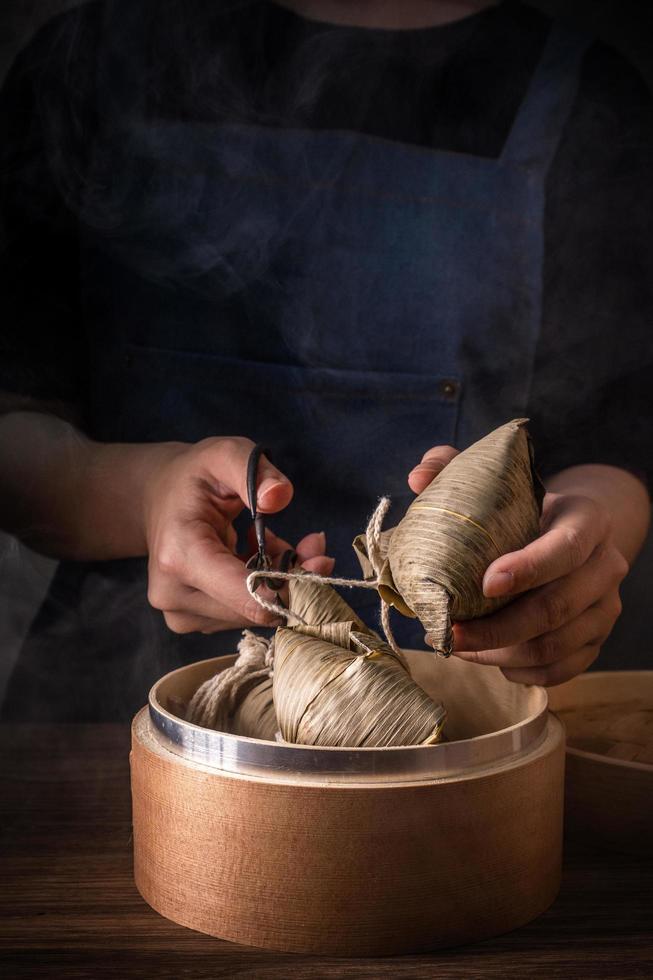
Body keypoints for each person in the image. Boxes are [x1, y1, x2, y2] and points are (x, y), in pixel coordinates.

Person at [0, 0, 650, 721]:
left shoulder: (594, 101)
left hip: (458, 715)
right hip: (99, 720)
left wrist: (574, 559)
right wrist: (144, 495)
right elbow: (14, 432)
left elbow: (612, 444)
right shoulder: (87, 61)